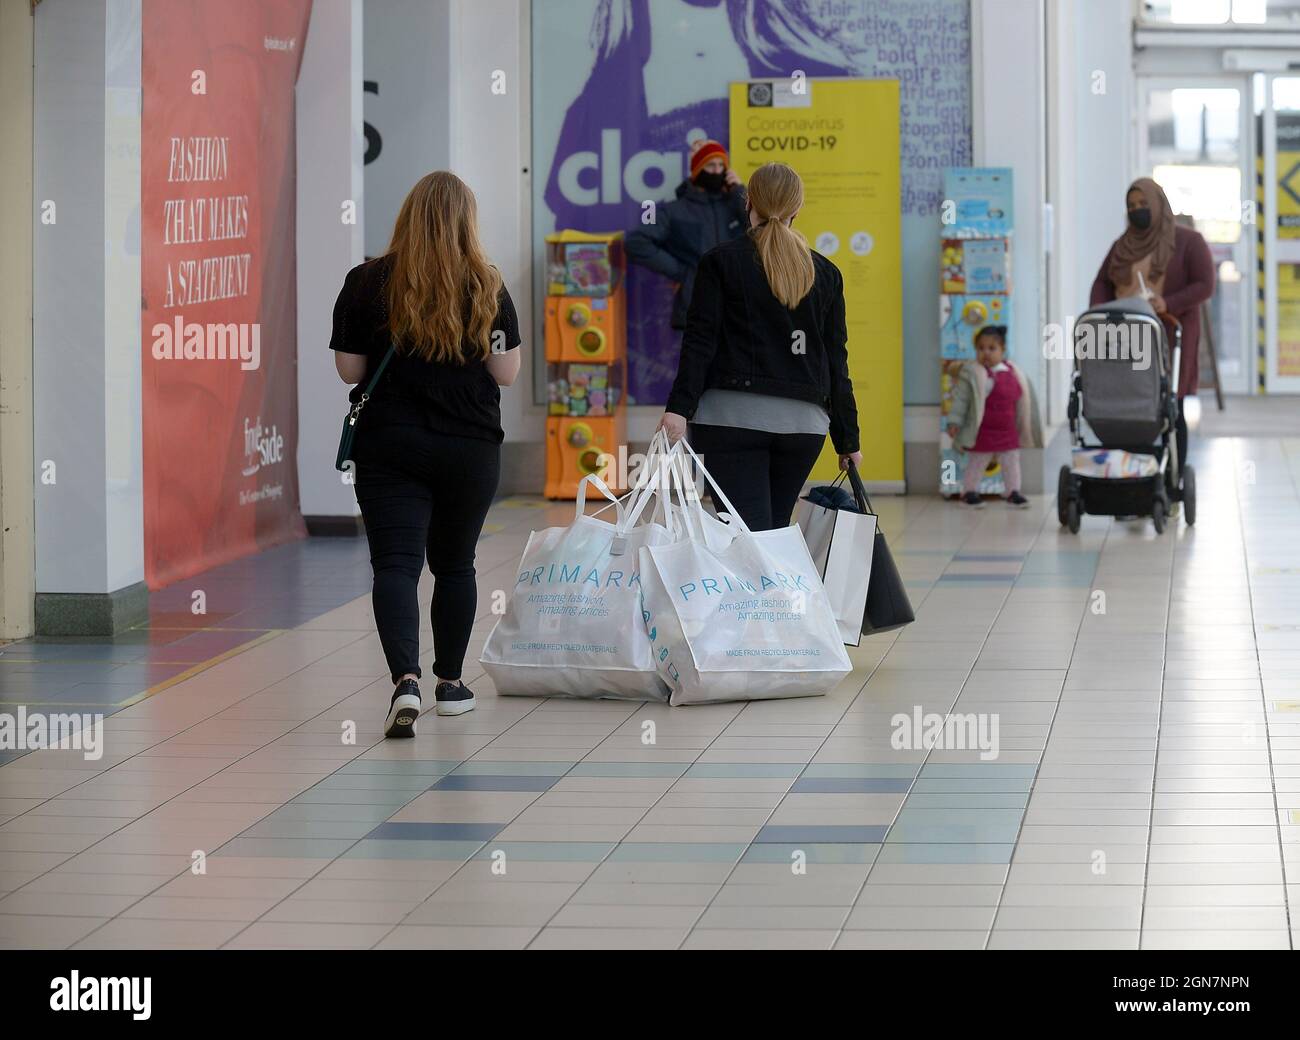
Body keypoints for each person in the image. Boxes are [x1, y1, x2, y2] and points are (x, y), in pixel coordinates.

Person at [330, 172, 521, 738]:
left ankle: (405, 682)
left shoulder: (366, 282)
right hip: (469, 445)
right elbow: (506, 373)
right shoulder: (487, 285)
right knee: (455, 564)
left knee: (395, 565)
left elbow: (350, 369)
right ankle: (451, 684)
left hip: (390, 444)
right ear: (468, 221)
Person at [657, 161, 861, 531]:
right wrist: (847, 439)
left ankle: (755, 592)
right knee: (773, 534)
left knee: (742, 537)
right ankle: (775, 590)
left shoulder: (720, 262)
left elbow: (700, 341)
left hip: (731, 421)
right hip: (805, 426)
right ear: (798, 208)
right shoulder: (826, 274)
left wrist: (679, 409)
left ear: (747, 201)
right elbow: (836, 362)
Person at [1089, 177, 1215, 478]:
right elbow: (1102, 282)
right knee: (1127, 408)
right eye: (1132, 206)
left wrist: (1167, 303)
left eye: (1144, 204)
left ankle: (1171, 480)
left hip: (1168, 335)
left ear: (1159, 204)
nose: (1138, 210)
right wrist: (1101, 313)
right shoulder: (1123, 244)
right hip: (1126, 336)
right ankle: (1132, 482)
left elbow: (1204, 285)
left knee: (1172, 407)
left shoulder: (1188, 242)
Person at [625, 138, 749, 330]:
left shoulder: (734, 205)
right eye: (710, 165)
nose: (717, 171)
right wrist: (681, 272)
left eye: (721, 165)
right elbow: (636, 242)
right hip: (696, 312)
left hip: (738, 311)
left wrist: (739, 192)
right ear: (697, 169)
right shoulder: (673, 210)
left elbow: (762, 231)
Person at [946, 325, 1042, 509]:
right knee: (977, 461)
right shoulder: (973, 373)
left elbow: (1023, 398)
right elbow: (961, 400)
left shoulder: (1013, 371)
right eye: (981, 349)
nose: (986, 353)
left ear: (1003, 350)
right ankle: (969, 492)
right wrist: (954, 421)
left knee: (1011, 462)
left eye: (992, 348)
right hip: (983, 429)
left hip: (1007, 429)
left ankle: (1012, 491)